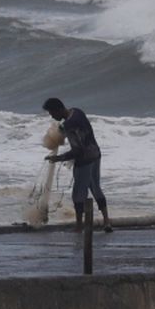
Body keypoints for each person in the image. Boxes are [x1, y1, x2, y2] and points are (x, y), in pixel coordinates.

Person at [43, 97, 113, 232]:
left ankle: (79, 227)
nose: (51, 116)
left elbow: (77, 150)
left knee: (78, 194)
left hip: (84, 160)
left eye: (52, 113)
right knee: (96, 188)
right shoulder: (77, 111)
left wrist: (59, 158)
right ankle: (106, 222)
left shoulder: (69, 125)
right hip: (95, 154)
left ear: (58, 109)